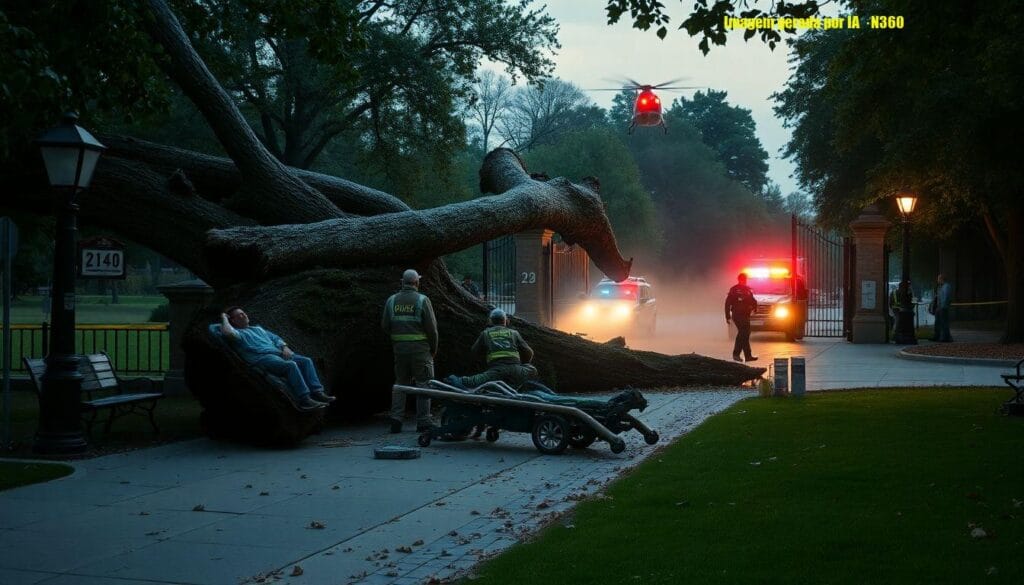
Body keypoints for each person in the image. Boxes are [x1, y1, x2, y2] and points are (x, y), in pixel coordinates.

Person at [219, 307, 334, 411]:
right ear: (232, 320)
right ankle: (305, 400)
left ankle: (318, 392)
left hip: (278, 353)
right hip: (262, 358)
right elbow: (228, 333)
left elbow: (275, 338)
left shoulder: (258, 329)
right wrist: (224, 318)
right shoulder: (237, 334)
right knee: (291, 365)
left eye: (244, 313)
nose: (244, 315)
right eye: (240, 314)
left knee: (306, 361)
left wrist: (284, 347)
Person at [382, 269, 439, 433]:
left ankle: (396, 420)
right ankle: (423, 421)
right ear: (417, 282)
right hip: (421, 350)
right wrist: (433, 349)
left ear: (402, 282)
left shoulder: (391, 300)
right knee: (424, 384)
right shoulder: (423, 300)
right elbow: (432, 330)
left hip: (399, 350)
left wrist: (399, 338)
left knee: (400, 383)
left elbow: (385, 326)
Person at [454, 308, 538, 389]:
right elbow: (529, 352)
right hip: (516, 371)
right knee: (532, 370)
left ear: (490, 321)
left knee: (470, 381)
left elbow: (474, 352)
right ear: (506, 321)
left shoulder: (485, 333)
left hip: (496, 372)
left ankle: (457, 380)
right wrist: (522, 365)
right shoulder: (514, 333)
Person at [724, 272, 758, 363]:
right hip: (737, 315)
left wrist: (755, 308)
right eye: (743, 280)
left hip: (745, 315)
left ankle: (748, 356)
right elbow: (727, 303)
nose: (744, 281)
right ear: (739, 280)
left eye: (745, 280)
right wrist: (727, 316)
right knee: (743, 332)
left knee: (746, 334)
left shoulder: (747, 290)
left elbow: (753, 300)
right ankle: (736, 354)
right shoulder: (734, 290)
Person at [932, 273, 953, 342]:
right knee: (938, 322)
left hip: (943, 308)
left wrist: (942, 306)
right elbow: (939, 297)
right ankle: (937, 336)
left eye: (938, 278)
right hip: (939, 307)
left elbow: (946, 297)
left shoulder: (946, 286)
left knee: (944, 323)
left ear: (941, 279)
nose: (937, 280)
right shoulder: (941, 287)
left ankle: (946, 337)